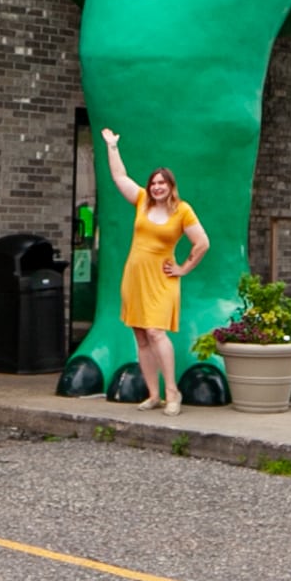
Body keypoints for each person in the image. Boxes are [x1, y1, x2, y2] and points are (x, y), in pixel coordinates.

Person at [101, 128, 208, 413]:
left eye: (162, 183)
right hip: (135, 275)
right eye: (153, 183)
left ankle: (172, 393)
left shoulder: (182, 210)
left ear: (171, 186)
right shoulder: (141, 202)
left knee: (156, 332)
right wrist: (113, 147)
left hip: (161, 278)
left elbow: (202, 243)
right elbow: (120, 177)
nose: (157, 187)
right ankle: (153, 394)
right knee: (140, 335)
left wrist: (184, 268)